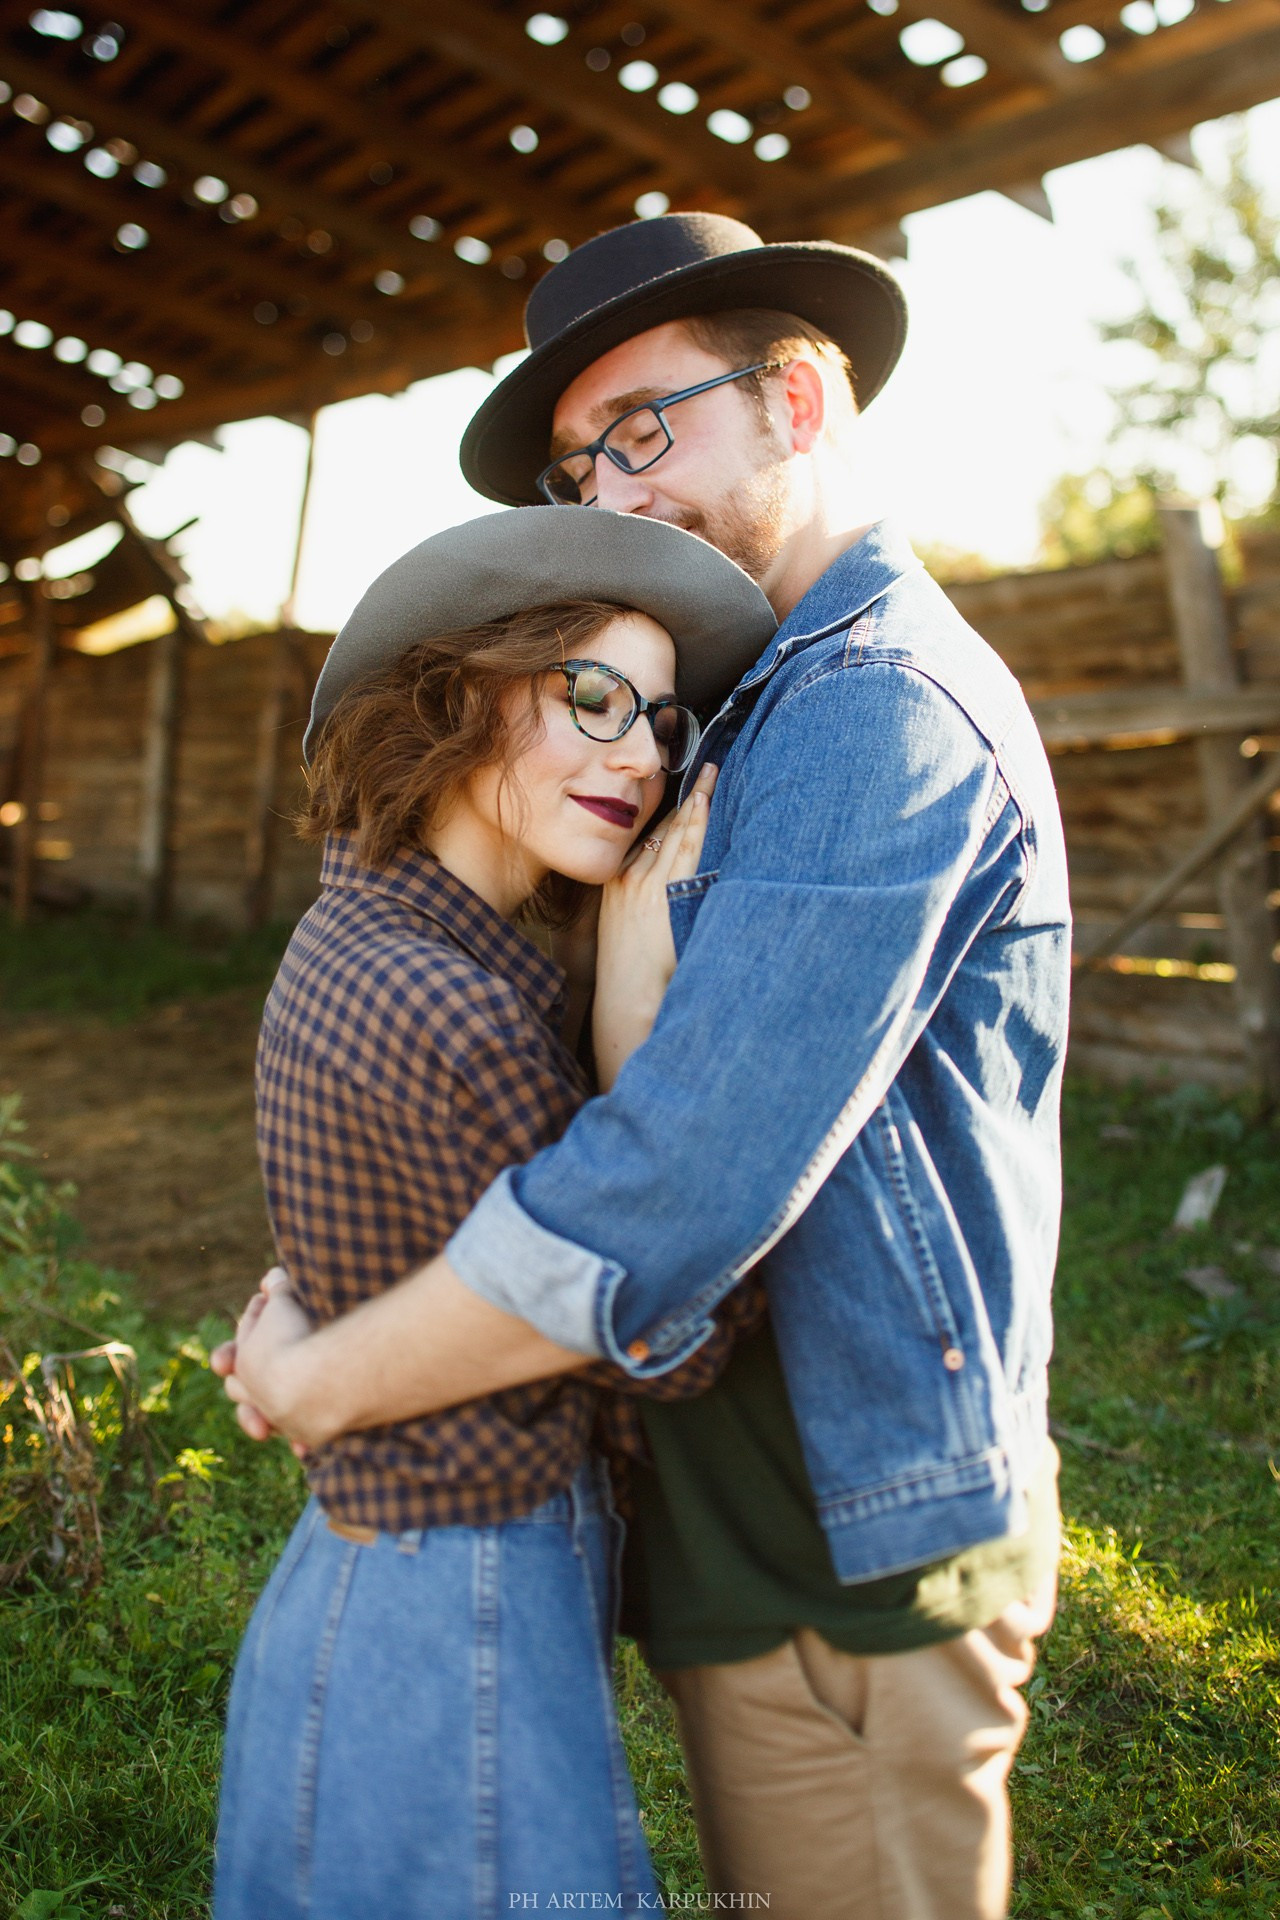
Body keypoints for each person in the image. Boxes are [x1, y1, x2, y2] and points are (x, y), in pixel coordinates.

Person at [217, 212, 1072, 1920]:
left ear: (804, 396)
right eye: (575, 464)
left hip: (855, 1540)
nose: (608, 483)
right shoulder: (735, 701)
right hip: (740, 1524)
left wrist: (328, 1376)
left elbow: (671, 1186)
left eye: (644, 426)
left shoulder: (876, 711)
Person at [212, 506, 777, 1920]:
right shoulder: (445, 1003)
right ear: (458, 697)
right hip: (457, 1601)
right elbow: (673, 1333)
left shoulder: (391, 926)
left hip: (382, 1581)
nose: (643, 755)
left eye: (662, 718)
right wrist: (639, 1005)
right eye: (591, 697)